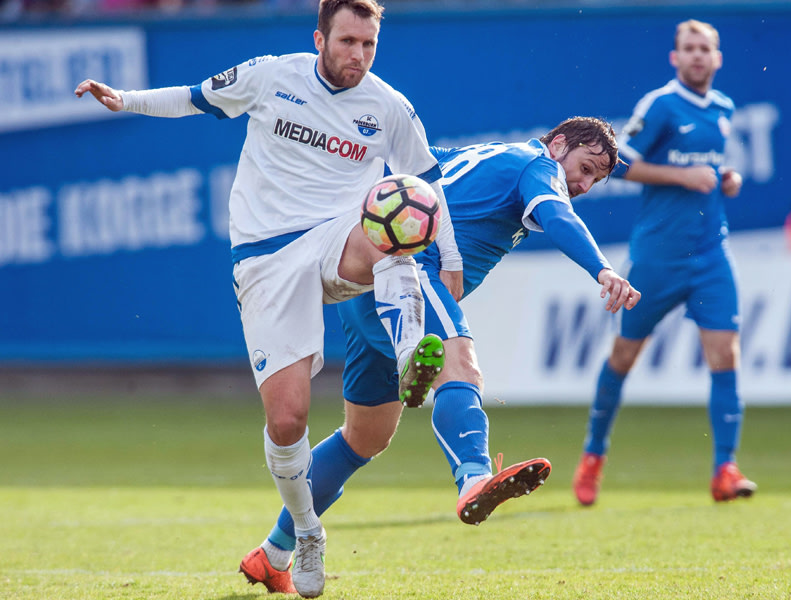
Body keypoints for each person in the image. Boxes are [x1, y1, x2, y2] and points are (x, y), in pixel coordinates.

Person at [75, 1, 463, 597]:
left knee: (392, 222)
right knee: (287, 422)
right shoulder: (272, 75)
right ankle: (306, 533)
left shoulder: (389, 107)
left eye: (369, 44)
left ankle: (413, 350)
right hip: (264, 255)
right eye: (347, 42)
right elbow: (195, 96)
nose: (358, 55)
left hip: (338, 234)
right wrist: (125, 99)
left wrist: (453, 261)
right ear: (319, 38)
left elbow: (428, 188)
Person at [237, 116, 642, 594]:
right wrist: (603, 269)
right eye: (585, 167)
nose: (585, 183)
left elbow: (407, 176)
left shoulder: (490, 152)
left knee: (364, 438)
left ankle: (275, 551)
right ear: (557, 144)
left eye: (597, 177)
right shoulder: (538, 166)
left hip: (365, 286)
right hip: (410, 273)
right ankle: (473, 476)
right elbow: (558, 216)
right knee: (461, 367)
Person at [573, 19, 756, 507]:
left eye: (706, 49)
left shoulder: (723, 108)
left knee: (726, 356)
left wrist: (725, 177)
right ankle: (593, 456)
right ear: (675, 58)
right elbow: (620, 162)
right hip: (657, 258)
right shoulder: (659, 105)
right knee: (624, 357)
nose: (698, 56)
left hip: (712, 254)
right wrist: (682, 176)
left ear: (718, 58)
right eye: (689, 49)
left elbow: (709, 170)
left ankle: (725, 469)